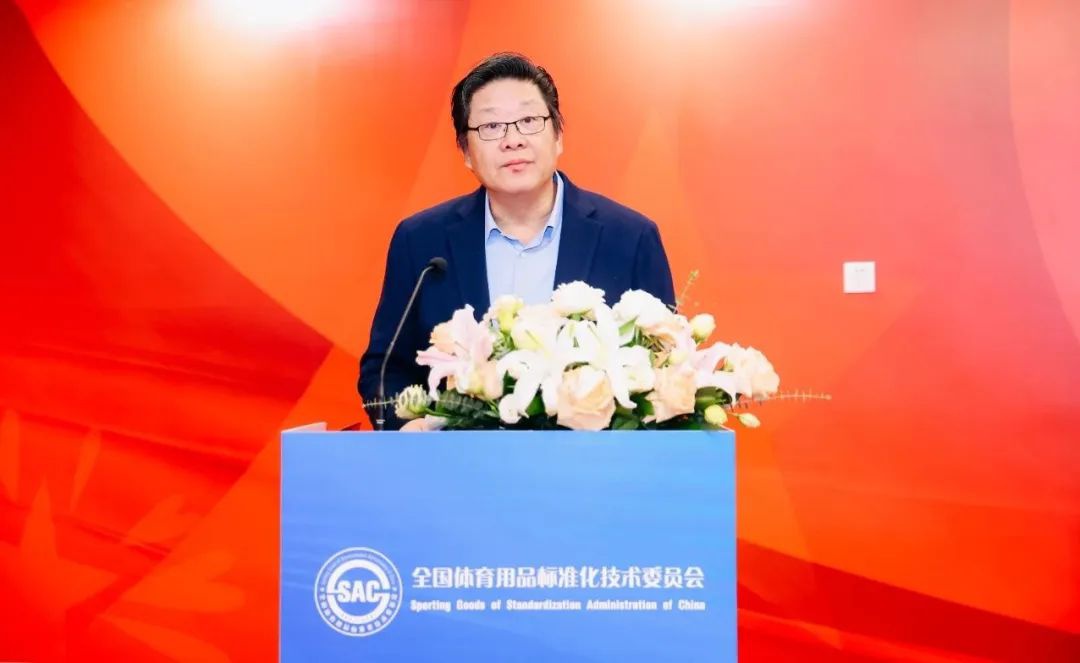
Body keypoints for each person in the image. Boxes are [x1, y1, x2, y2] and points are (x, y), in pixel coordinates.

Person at [358, 52, 676, 430]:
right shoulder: (421, 242)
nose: (512, 141)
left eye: (528, 121)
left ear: (558, 136)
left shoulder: (630, 238)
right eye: (491, 126)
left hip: (592, 461)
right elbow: (385, 370)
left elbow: (667, 369)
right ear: (465, 152)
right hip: (458, 461)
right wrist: (409, 426)